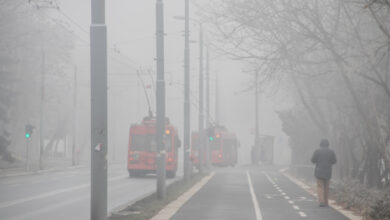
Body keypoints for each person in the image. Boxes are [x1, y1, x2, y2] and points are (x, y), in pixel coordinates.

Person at [311, 139, 337, 207]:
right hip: (328, 171)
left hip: (319, 171)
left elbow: (313, 160)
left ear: (320, 144)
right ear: (328, 144)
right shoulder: (331, 152)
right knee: (326, 187)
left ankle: (321, 201)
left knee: (320, 187)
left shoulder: (317, 151)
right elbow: (334, 161)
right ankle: (326, 202)